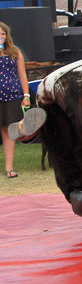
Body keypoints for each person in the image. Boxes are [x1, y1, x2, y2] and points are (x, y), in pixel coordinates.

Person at [0, 22, 30, 178]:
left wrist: (26, 95)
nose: (1, 36)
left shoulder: (15, 51)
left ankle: (9, 168)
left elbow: (22, 74)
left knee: (9, 132)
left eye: (3, 34)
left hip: (12, 95)